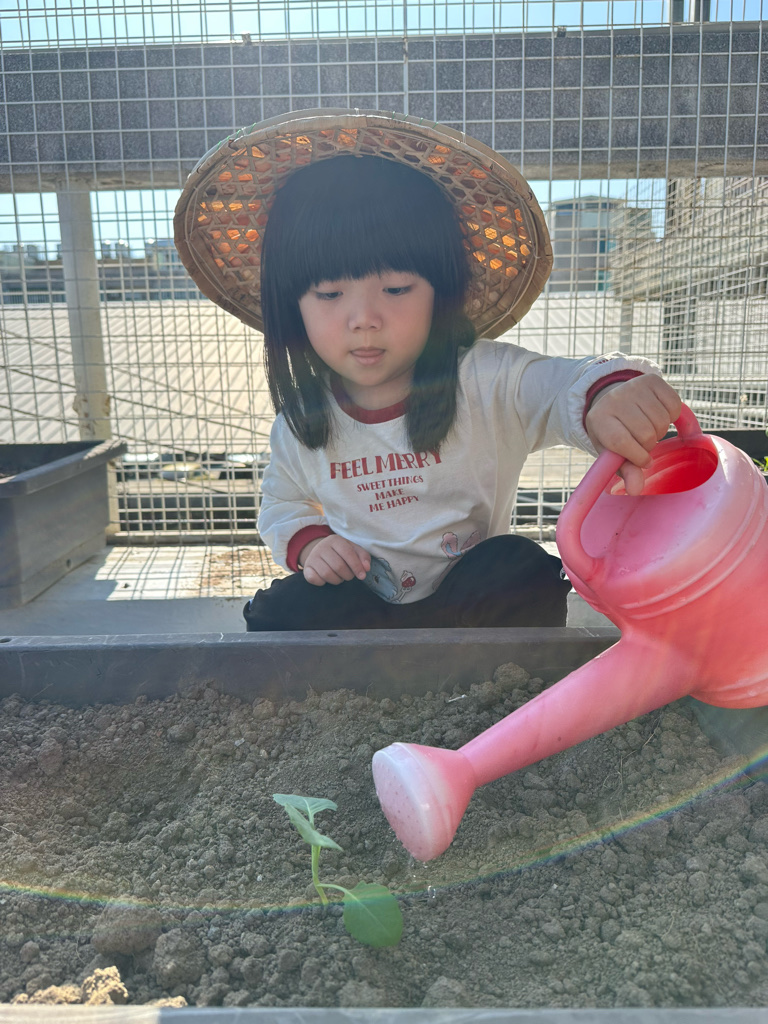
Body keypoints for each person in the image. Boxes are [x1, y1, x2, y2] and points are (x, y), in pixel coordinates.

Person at [174, 109, 681, 631]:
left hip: (471, 612)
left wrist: (608, 395)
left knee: (521, 566)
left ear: (442, 291)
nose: (364, 319)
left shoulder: (485, 380)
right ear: (292, 306)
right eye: (328, 294)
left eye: (396, 289)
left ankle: (501, 674)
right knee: (279, 609)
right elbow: (282, 505)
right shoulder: (302, 419)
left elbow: (564, 386)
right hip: (366, 610)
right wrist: (312, 545)